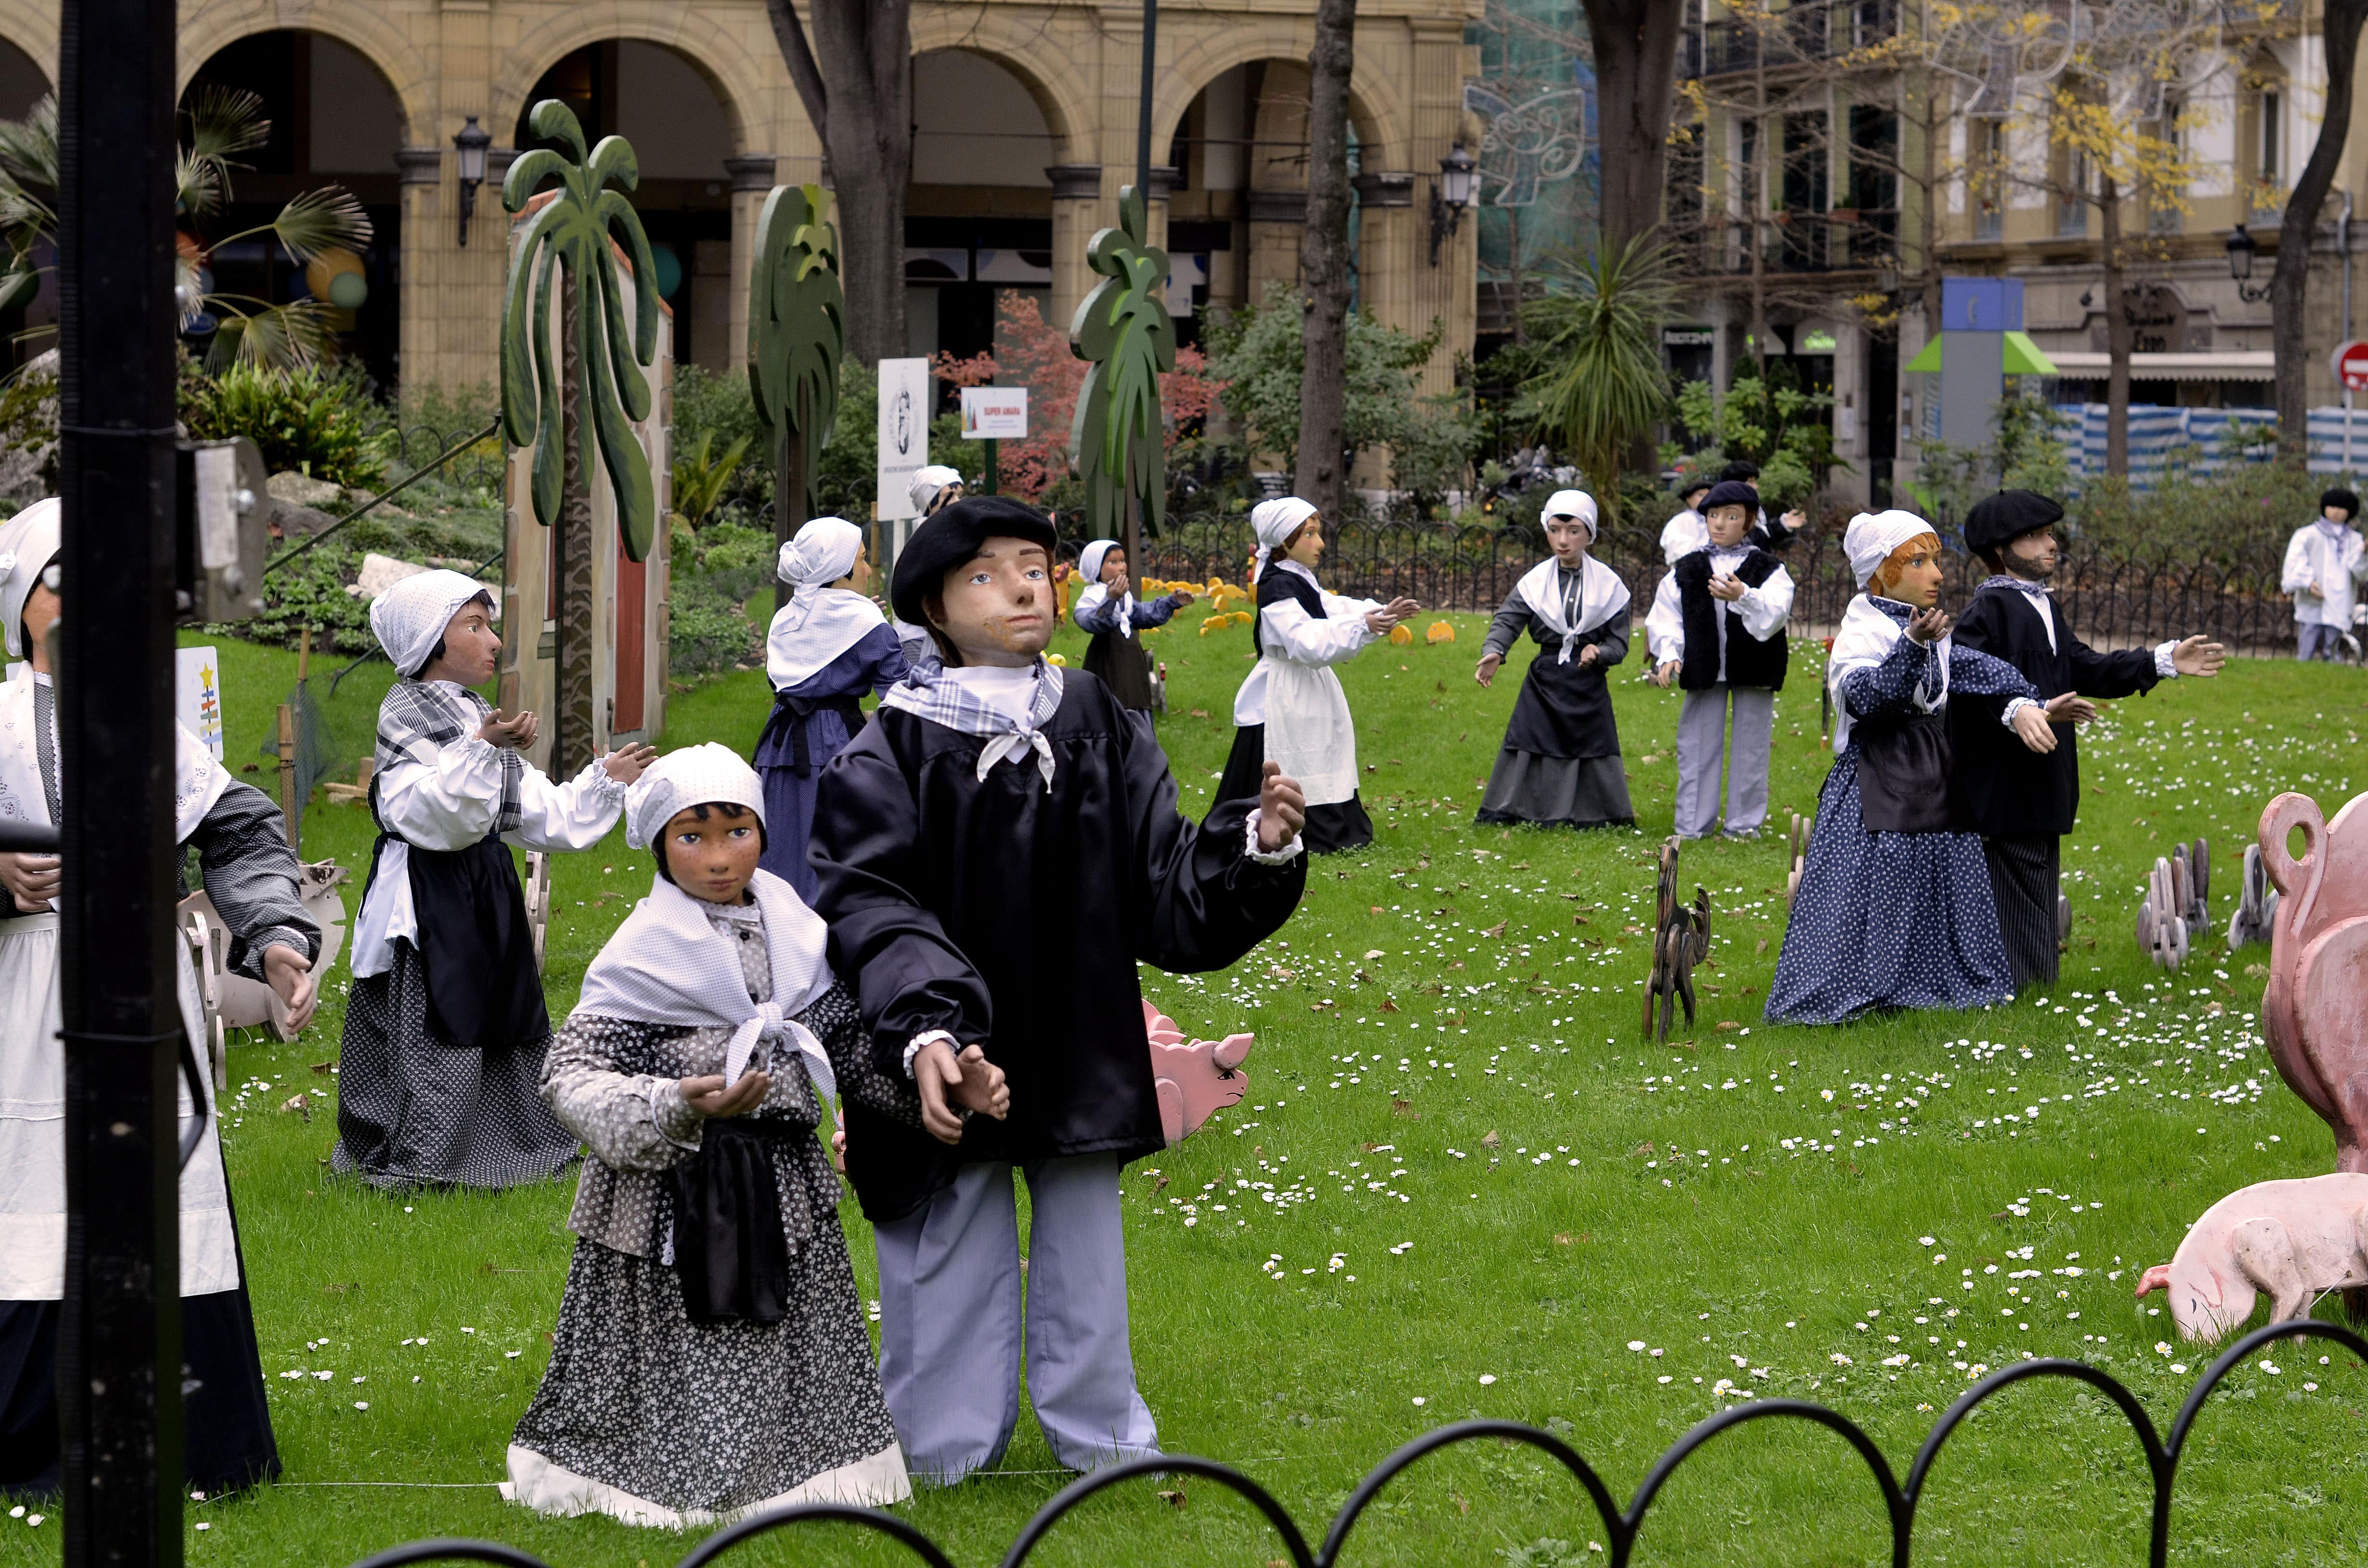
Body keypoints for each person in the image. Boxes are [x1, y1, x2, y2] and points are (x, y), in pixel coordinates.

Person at [809, 495, 1309, 1484]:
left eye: (1033, 566)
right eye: (985, 574)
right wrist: (931, 1029)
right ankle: (940, 1446)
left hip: (1079, 1029)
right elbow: (875, 903)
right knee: (948, 1236)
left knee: (1086, 1250)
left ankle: (1104, 1437)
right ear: (936, 609)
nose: (1022, 588)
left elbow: (1159, 882)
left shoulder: (1096, 722)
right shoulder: (892, 749)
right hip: (952, 1042)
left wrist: (1252, 850)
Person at [507, 744, 909, 1527]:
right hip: (670, 1190)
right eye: (693, 836)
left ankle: (802, 1476)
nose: (720, 857)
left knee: (793, 1332)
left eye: (738, 831)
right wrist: (671, 1102)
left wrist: (914, 1082)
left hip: (779, 1179)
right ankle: (666, 1479)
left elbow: (837, 1028)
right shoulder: (643, 952)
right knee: (681, 1336)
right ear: (659, 841)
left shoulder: (792, 924)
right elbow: (571, 1072)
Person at [0, 500, 306, 1497]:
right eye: (63, 582)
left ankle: (183, 1443)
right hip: (23, 995)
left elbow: (243, 834)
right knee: (30, 1187)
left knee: (162, 1190)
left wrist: (277, 939)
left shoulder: (148, 719)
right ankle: (32, 1454)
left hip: (145, 992)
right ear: (23, 601)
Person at [335, 570, 655, 1190]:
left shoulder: (473, 711)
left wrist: (606, 780)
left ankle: (513, 1142)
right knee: (441, 1014)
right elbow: (429, 816)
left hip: (482, 885)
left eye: (489, 625)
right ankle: (427, 1154)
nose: (494, 642)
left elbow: (533, 809)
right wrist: (481, 749)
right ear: (430, 641)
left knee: (498, 1005)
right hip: (426, 896)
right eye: (474, 626)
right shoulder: (407, 711)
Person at [1765, 511, 2047, 1025]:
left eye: (1935, 561)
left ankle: (1933, 981)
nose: (1937, 574)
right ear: (1880, 573)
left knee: (1943, 873)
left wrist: (2023, 702)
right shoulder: (1861, 633)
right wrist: (1909, 648)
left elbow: (1974, 669)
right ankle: (1868, 984)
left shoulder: (1929, 630)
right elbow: (1870, 697)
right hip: (1875, 772)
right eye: (1918, 562)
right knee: (1878, 874)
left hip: (1932, 768)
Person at [1949, 490, 2227, 989]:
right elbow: (1965, 679)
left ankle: (2034, 988)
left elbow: (2085, 668)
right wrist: (2018, 709)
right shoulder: (1987, 610)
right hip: (2004, 782)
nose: (2050, 544)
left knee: (2036, 878)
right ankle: (2020, 989)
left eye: (2050, 533)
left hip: (2042, 777)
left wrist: (2159, 662)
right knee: (2015, 885)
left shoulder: (2042, 608)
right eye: (2034, 536)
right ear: (1998, 548)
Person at [1214, 497, 1416, 854]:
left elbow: (1330, 606)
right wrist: (1364, 626)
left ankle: (1327, 825)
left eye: (1318, 533)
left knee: (1321, 750)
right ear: (1284, 541)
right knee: (1288, 752)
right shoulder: (1277, 589)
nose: (1320, 543)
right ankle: (1282, 827)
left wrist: (1378, 613)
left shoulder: (1296, 577)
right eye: (1309, 534)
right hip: (1284, 692)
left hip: (1306, 685)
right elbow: (1305, 641)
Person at [755, 518, 907, 903]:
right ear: (842, 571)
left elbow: (786, 682)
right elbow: (902, 695)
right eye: (862, 559)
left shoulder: (786, 619)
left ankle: (780, 935)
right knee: (839, 850)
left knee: (781, 849)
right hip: (838, 745)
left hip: (781, 745)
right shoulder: (864, 622)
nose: (869, 570)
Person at [1472, 489, 1635, 830]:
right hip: (1545, 678)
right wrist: (1495, 651)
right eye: (1555, 531)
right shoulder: (1535, 583)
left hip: (1587, 680)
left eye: (1574, 531)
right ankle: (1527, 807)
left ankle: (1593, 812)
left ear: (1589, 534)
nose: (1563, 541)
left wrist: (1600, 652)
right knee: (1533, 741)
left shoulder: (1610, 587)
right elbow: (1509, 619)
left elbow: (1619, 643)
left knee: (1589, 745)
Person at [1643, 478, 1796, 840]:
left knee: (1752, 746)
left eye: (1731, 516)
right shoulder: (1689, 567)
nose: (1720, 523)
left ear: (1750, 521)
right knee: (1696, 744)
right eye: (1713, 515)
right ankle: (1692, 823)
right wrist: (1669, 653)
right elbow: (1668, 615)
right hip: (1703, 666)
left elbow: (1776, 612)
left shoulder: (1768, 568)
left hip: (1754, 664)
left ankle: (1744, 825)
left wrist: (1744, 595)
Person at [1070, 538, 1193, 735]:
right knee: (1110, 709)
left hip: (1133, 667)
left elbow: (1143, 614)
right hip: (1108, 666)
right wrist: (1110, 600)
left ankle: (1140, 752)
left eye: (1123, 561)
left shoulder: (1125, 597)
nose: (1121, 567)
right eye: (1112, 562)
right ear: (1095, 567)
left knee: (1136, 704)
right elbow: (1092, 621)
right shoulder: (1091, 597)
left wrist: (1171, 602)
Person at [890, 466, 969, 668]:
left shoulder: (944, 532)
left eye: (958, 496)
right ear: (929, 502)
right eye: (949, 497)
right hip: (920, 633)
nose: (956, 503)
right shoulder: (928, 538)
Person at [2281, 486, 2366, 661]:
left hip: (2339, 601)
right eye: (2332, 506)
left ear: (2349, 512)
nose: (2335, 511)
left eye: (2341, 508)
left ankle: (2332, 671)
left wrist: (2364, 553)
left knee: (2333, 647)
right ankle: (2303, 671)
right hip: (2312, 599)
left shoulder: (2354, 540)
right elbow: (2295, 562)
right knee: (2307, 645)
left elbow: (2360, 572)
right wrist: (2307, 582)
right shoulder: (2307, 535)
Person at [1657, 476, 1714, 567]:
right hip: (1687, 564)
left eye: (1708, 496)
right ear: (1689, 499)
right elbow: (1671, 539)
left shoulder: (1713, 519)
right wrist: (1696, 547)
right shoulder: (1680, 520)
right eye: (1700, 495)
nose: (1704, 499)